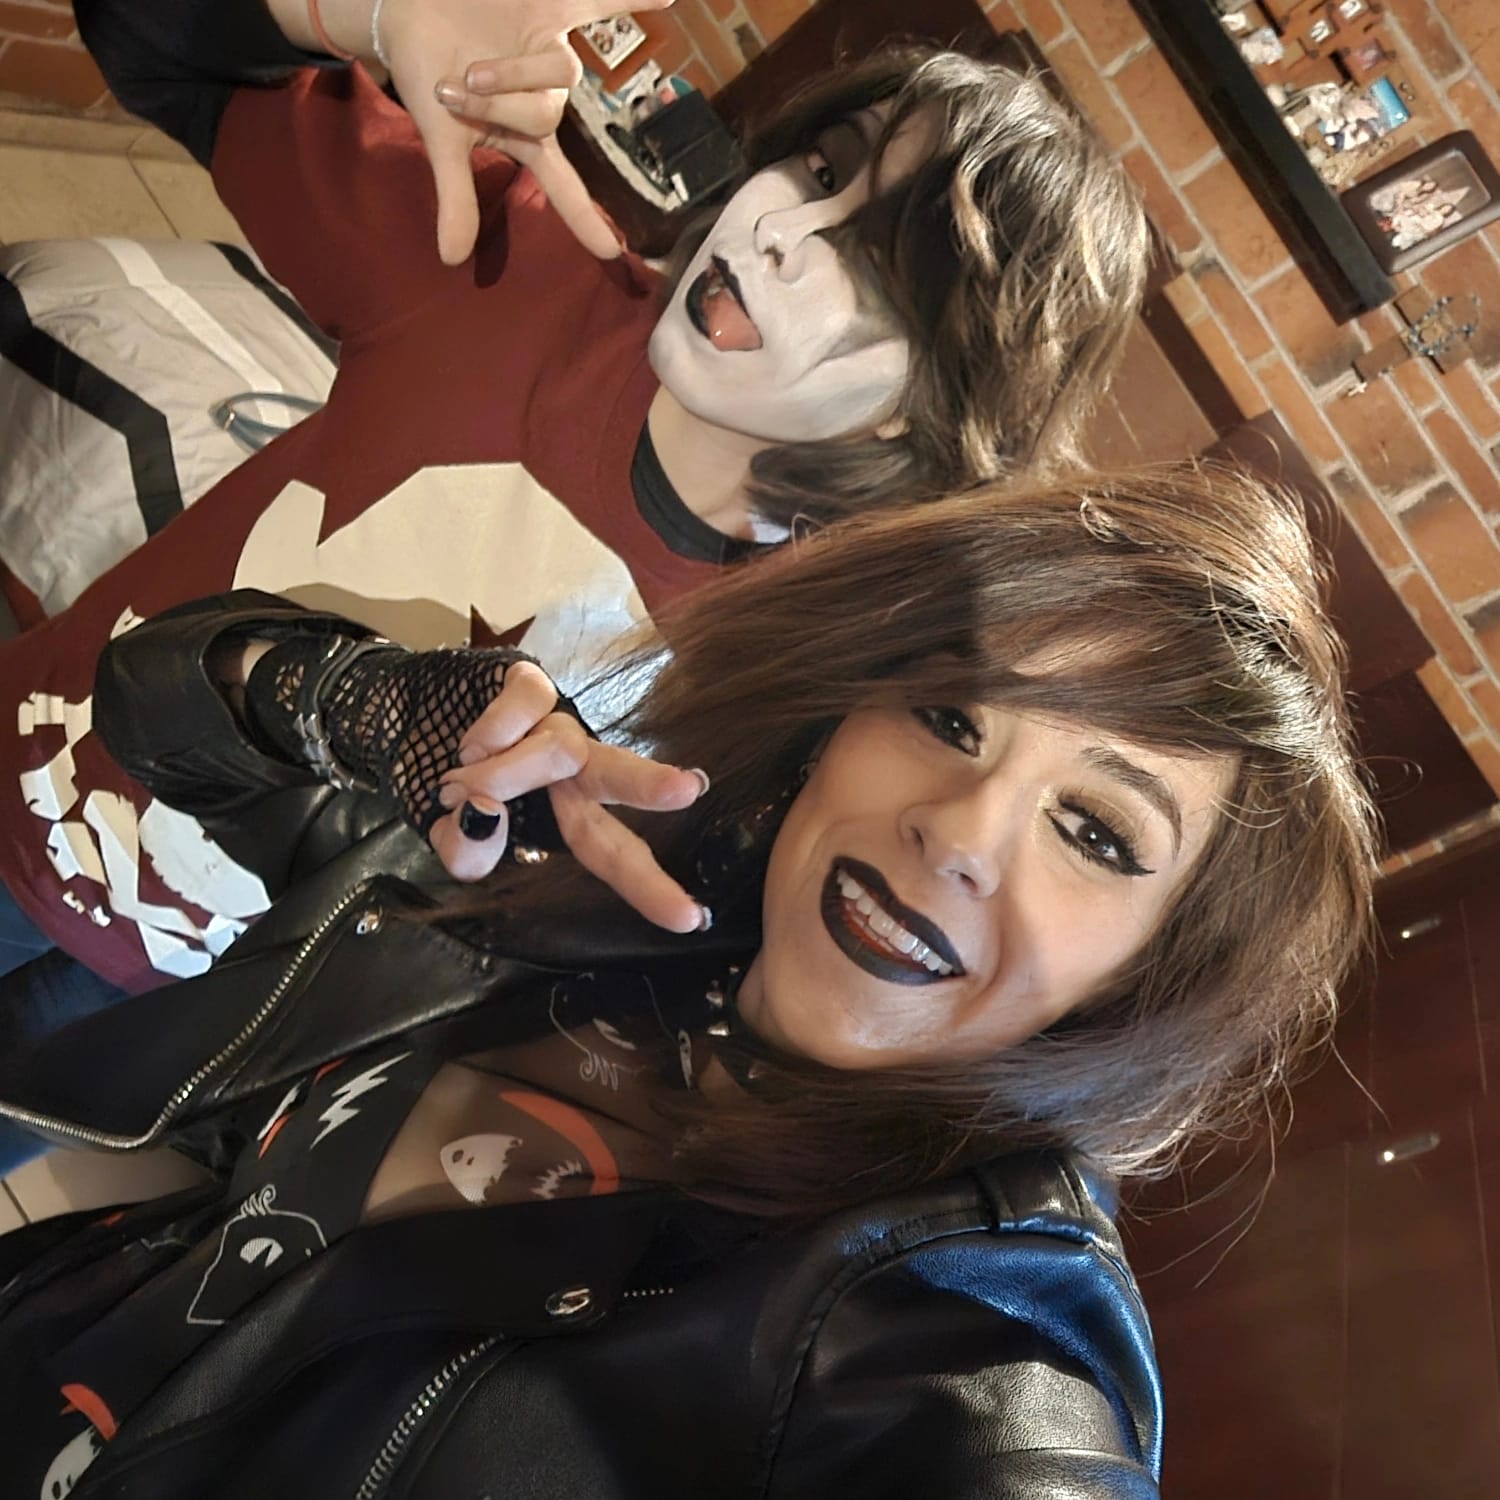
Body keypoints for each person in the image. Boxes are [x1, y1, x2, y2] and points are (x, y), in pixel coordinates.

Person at [0, 463, 1377, 1496]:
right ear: (839, 722)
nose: (959, 831)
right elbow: (147, 704)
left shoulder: (969, 1325)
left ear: (1154, 969)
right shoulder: (584, 886)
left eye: (1096, 832)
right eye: (949, 715)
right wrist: (359, 704)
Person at [0, 0, 1150, 1015]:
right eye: (817, 169)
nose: (779, 231)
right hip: (34, 760)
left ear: (934, 409)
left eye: (878, 264)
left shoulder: (801, 678)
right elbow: (152, 37)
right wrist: (368, 15)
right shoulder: (507, 274)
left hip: (185, 1008)